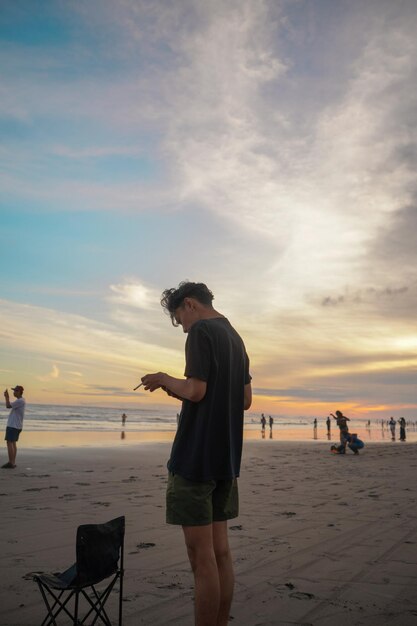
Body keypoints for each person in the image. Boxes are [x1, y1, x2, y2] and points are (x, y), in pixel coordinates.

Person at [141, 281, 252, 626]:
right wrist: (182, 392)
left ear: (189, 304)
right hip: (225, 461)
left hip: (195, 459)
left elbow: (197, 389)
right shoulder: (235, 337)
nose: (182, 328)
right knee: (220, 554)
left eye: (179, 320)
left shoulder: (201, 331)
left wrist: (162, 378)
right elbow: (244, 400)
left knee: (200, 558)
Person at [3, 385, 26, 469]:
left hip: (13, 425)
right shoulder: (20, 401)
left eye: (15, 391)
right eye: (14, 391)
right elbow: (9, 406)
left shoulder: (20, 401)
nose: (14, 392)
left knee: (9, 442)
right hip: (16, 425)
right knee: (13, 443)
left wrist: (6, 397)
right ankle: (12, 462)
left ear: (20, 392)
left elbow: (8, 406)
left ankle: (11, 462)